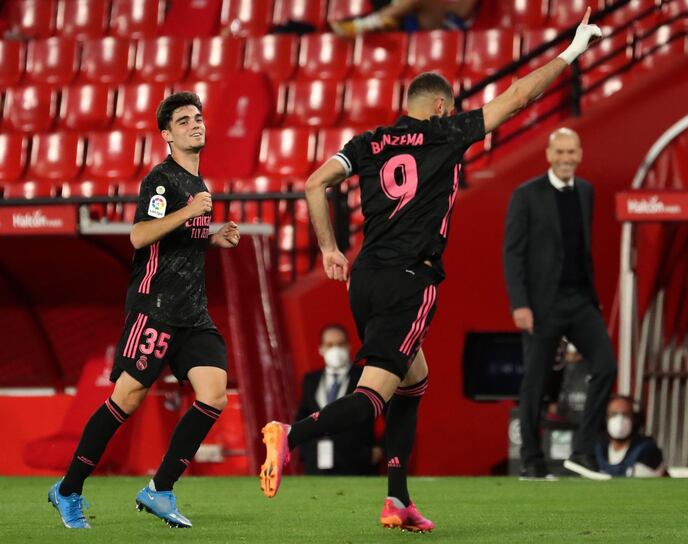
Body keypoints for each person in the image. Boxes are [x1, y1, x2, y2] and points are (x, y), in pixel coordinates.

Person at [260, 9, 602, 533]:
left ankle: (398, 500)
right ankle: (291, 434)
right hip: (409, 280)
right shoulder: (444, 135)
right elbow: (517, 97)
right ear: (441, 107)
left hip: (366, 278)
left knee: (413, 382)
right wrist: (572, 52)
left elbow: (313, 183)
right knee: (372, 396)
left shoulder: (368, 143)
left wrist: (330, 248)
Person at [47, 92, 241, 529]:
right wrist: (191, 212)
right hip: (154, 307)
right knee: (126, 399)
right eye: (185, 120)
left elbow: (180, 241)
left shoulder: (198, 184)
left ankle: (160, 489)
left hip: (193, 312)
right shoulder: (162, 180)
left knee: (213, 395)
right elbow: (139, 235)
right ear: (167, 134)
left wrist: (213, 236)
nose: (196, 124)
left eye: (199, 117)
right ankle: (68, 490)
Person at [504, 126, 618, 482]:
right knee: (535, 383)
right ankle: (531, 462)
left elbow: (582, 250)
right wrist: (520, 304)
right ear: (549, 156)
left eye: (573, 152)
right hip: (541, 305)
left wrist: (592, 299)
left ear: (580, 154)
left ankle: (583, 454)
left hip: (581, 300)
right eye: (561, 152)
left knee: (606, 366)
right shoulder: (526, 195)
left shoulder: (586, 191)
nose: (567, 158)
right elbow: (513, 253)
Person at [297, 324, 382, 475]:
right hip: (316, 463)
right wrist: (306, 450)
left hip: (357, 463)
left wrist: (381, 449)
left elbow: (393, 414)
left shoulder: (366, 376)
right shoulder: (310, 380)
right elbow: (302, 416)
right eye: (329, 345)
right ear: (321, 349)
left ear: (349, 346)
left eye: (340, 344)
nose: (335, 349)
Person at [595, 395, 667, 477]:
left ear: (635, 419)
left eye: (626, 414)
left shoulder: (647, 451)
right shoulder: (598, 450)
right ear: (605, 419)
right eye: (613, 414)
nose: (619, 420)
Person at [331, 0, 481, 38]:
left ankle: (369, 23)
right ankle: (385, 21)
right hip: (419, 18)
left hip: (452, 27)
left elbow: (462, 11)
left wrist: (438, 5)